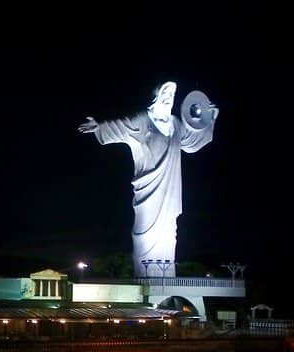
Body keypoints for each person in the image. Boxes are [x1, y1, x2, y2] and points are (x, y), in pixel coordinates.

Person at [78, 81, 218, 277]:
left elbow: (192, 143)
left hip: (169, 193)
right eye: (165, 94)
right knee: (145, 234)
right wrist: (99, 126)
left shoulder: (176, 124)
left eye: (172, 95)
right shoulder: (143, 120)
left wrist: (208, 118)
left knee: (169, 234)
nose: (169, 98)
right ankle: (144, 277)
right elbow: (121, 126)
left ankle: (166, 278)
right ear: (156, 97)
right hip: (148, 191)